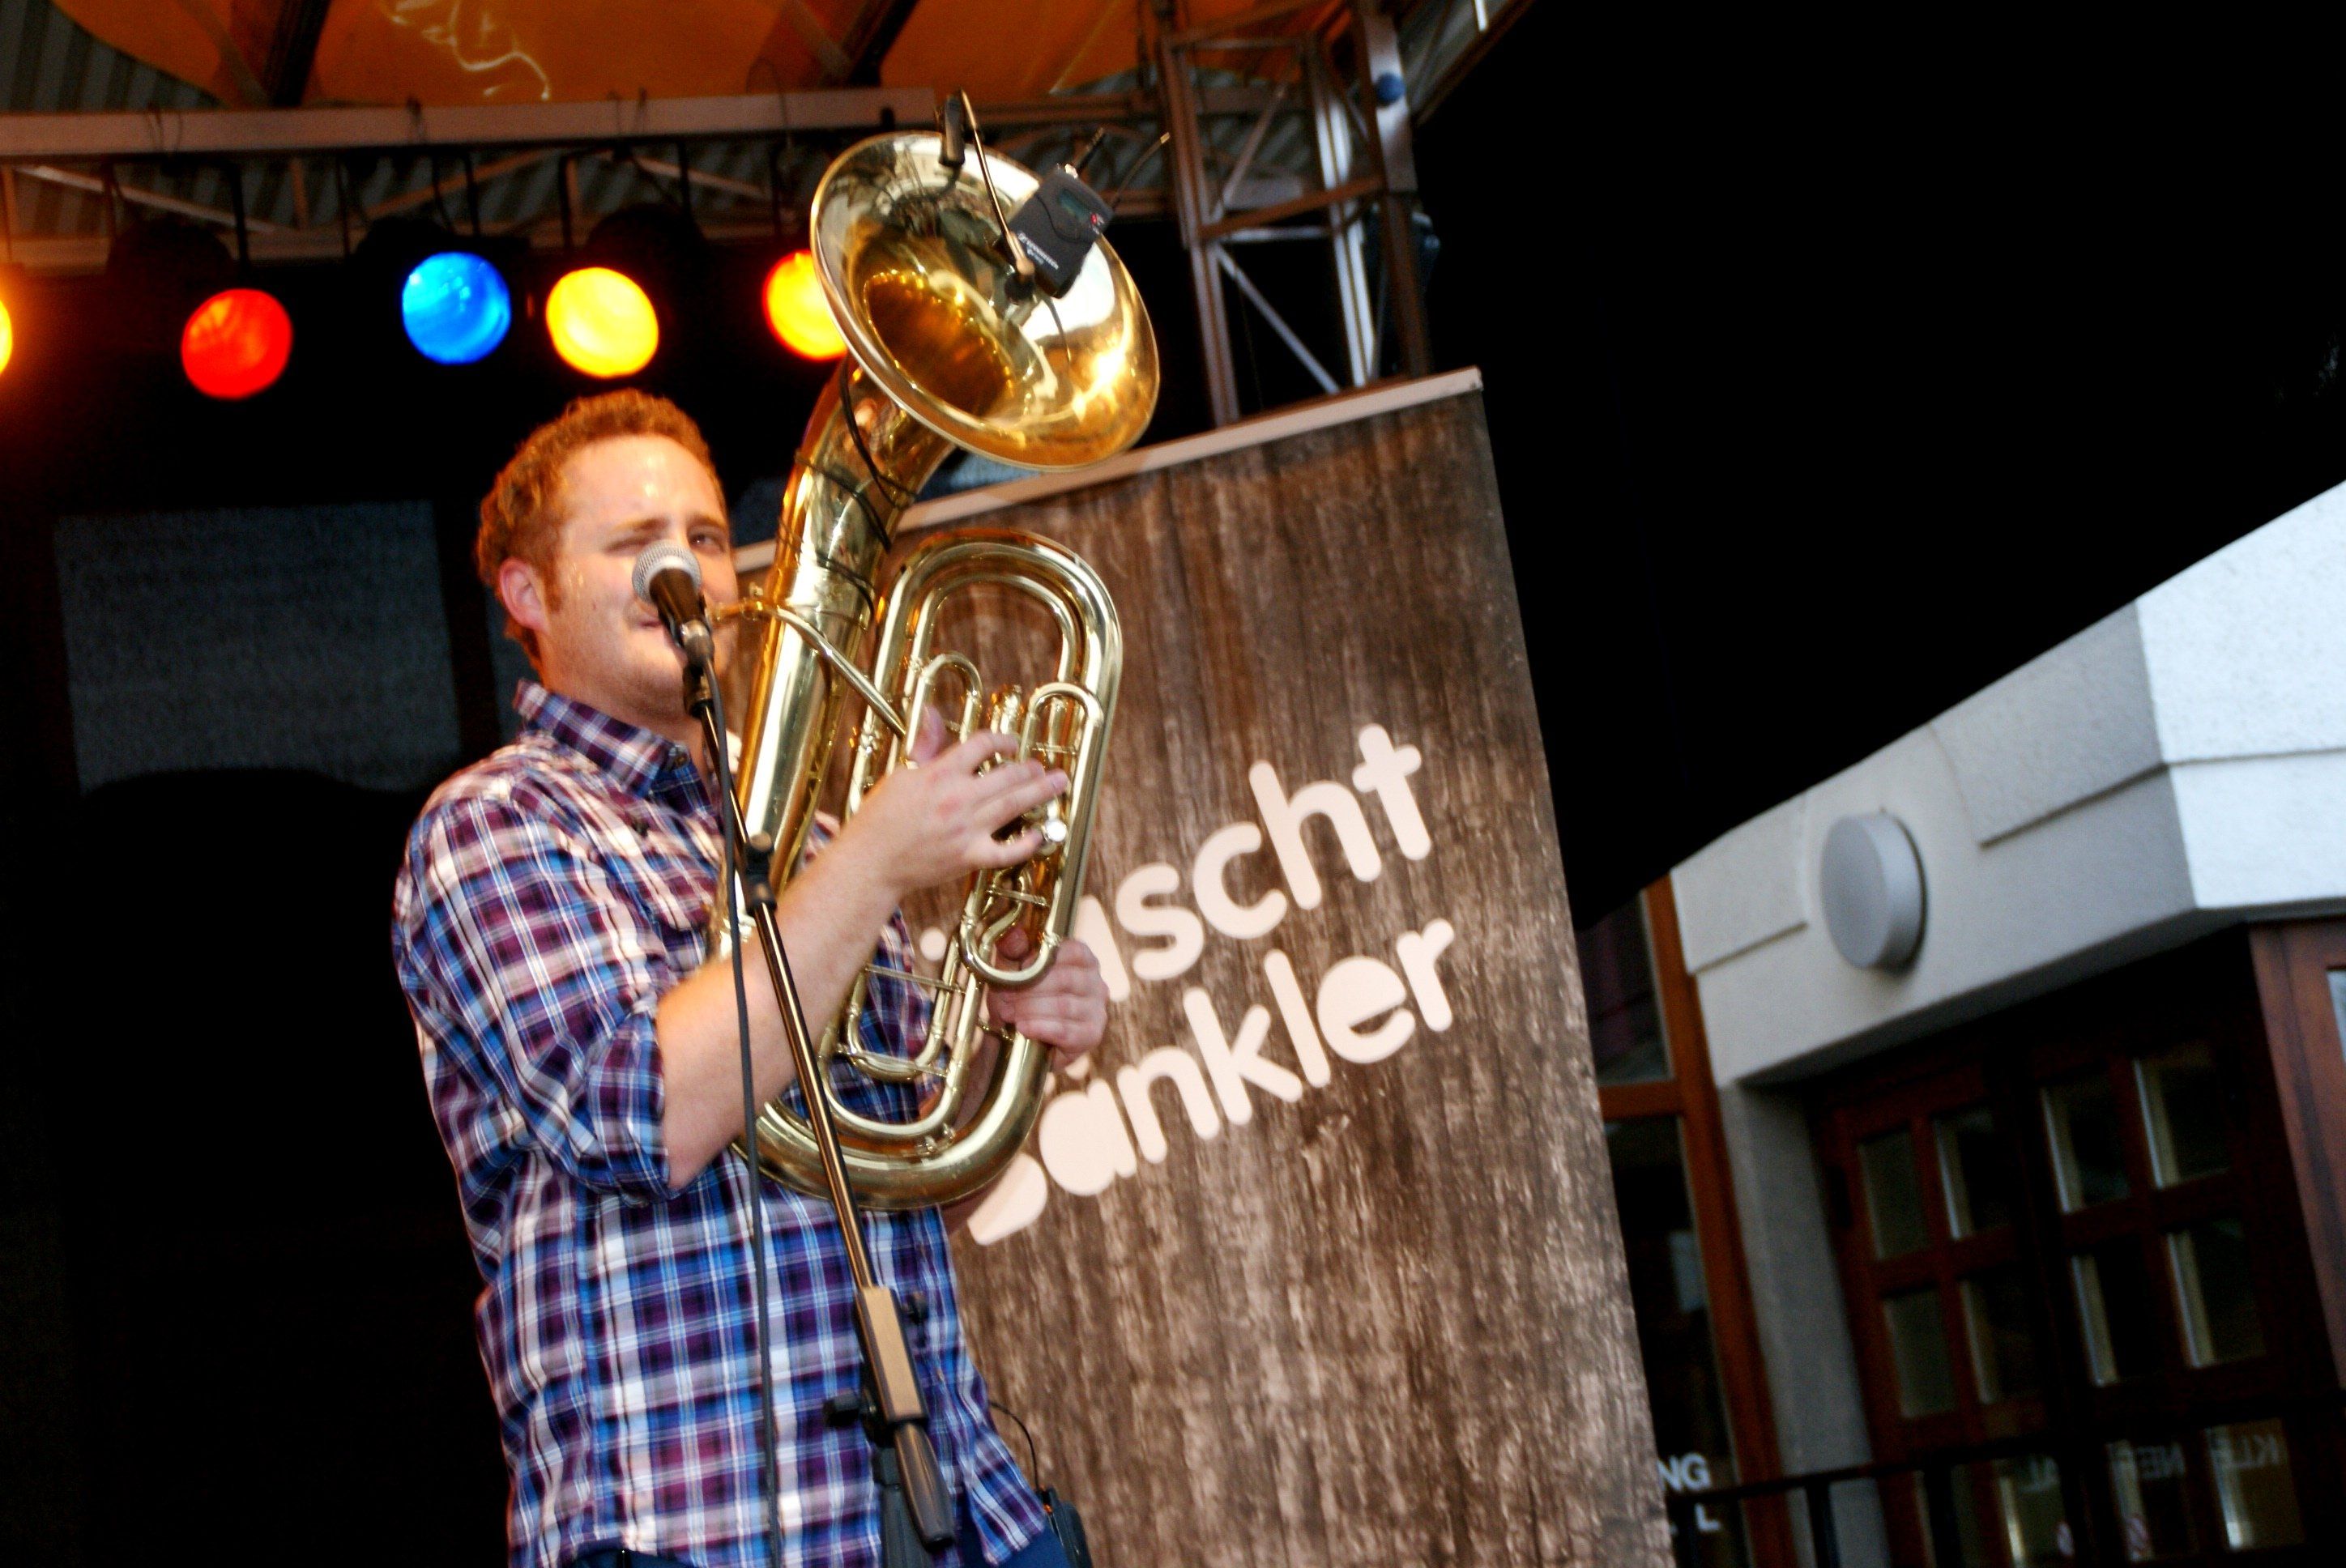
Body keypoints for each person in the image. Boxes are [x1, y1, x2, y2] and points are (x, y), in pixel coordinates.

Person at [392, 390, 1107, 1568]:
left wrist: (1010, 1036)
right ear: (528, 594)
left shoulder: (820, 842)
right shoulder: (497, 822)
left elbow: (902, 1176)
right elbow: (638, 1117)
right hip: (698, 1526)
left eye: (707, 538)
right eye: (632, 544)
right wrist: (876, 863)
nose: (681, 569)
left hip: (952, 1507)